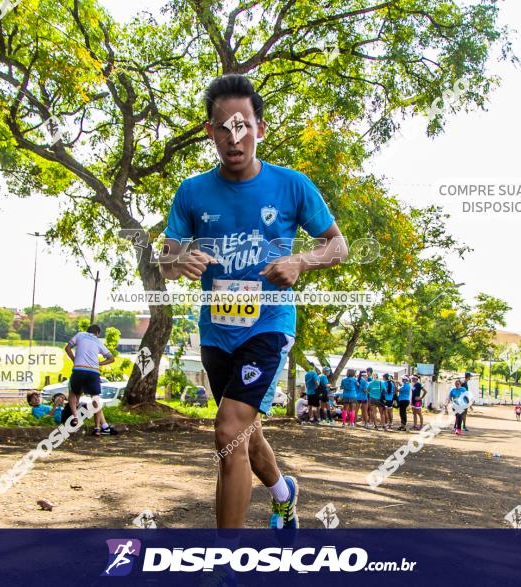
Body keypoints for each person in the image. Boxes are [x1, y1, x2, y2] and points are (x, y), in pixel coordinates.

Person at [160, 74, 347, 529]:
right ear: (210, 132)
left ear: (260, 128)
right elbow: (164, 258)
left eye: (243, 126)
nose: (233, 137)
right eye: (223, 128)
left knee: (228, 432)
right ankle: (284, 495)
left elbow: (337, 246)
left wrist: (301, 261)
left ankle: (227, 563)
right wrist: (178, 258)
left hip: (269, 324)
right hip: (217, 330)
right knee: (245, 432)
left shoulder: (292, 185)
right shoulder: (192, 191)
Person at [63, 324, 116, 435]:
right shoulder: (98, 341)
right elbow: (111, 358)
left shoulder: (80, 334)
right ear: (97, 333)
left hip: (79, 369)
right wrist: (99, 363)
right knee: (95, 399)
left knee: (73, 393)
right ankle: (97, 428)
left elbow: (67, 348)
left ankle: (75, 417)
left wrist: (74, 359)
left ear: (87, 330)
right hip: (93, 371)